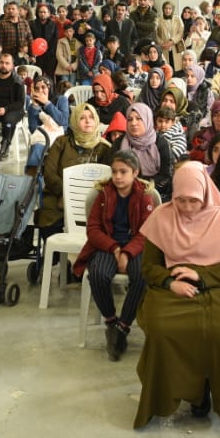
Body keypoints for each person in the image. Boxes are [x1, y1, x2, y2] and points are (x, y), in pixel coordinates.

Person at [132, 161, 220, 428]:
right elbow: (149, 268)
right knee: (161, 330)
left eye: (193, 201)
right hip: (171, 287)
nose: (186, 208)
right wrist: (170, 282)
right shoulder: (161, 216)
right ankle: (171, 396)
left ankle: (208, 390)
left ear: (205, 195)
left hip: (217, 286)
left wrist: (201, 276)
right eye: (180, 200)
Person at [73, 150, 155, 361]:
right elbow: (93, 230)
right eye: (114, 172)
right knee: (98, 274)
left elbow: (147, 231)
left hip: (136, 246)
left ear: (135, 173)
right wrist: (116, 249)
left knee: (142, 276)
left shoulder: (145, 196)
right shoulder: (103, 194)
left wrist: (127, 252)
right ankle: (111, 322)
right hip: (107, 246)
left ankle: (123, 326)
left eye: (123, 172)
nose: (117, 177)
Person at [38, 104, 112, 234]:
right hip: (58, 197)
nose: (88, 121)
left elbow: (106, 181)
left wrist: (82, 195)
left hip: (93, 203)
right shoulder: (61, 143)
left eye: (91, 117)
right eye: (82, 118)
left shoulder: (104, 148)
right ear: (75, 121)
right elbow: (49, 174)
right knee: (50, 227)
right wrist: (69, 192)